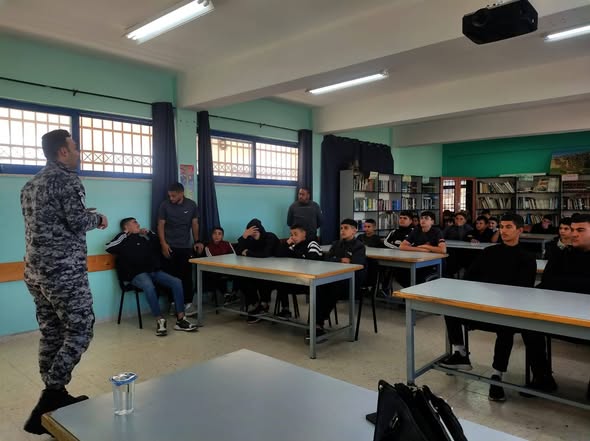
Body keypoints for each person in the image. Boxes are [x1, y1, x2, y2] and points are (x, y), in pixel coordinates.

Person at [21, 129, 108, 435]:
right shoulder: (67, 180)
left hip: (35, 271)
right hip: (63, 273)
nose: (78, 153)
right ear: (62, 152)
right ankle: (51, 394)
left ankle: (55, 393)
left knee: (52, 332)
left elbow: (48, 221)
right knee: (81, 328)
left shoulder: (30, 185)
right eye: (75, 147)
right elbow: (77, 221)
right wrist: (98, 219)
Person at [439, 213, 555, 402]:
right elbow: (469, 277)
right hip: (482, 304)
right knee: (449, 306)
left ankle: (497, 375)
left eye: (509, 227)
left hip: (505, 309)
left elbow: (521, 290)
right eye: (501, 226)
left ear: (519, 230)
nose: (503, 230)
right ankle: (460, 353)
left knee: (505, 326)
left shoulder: (527, 258)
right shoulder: (489, 252)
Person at [105, 218, 198, 336]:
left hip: (152, 271)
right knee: (149, 285)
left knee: (176, 282)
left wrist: (148, 233)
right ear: (126, 227)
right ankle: (160, 320)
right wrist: (124, 233)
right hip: (135, 274)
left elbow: (158, 243)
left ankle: (181, 319)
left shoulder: (142, 239)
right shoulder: (122, 241)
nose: (138, 224)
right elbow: (108, 247)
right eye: (134, 222)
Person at [312, 219, 366, 342]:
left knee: (330, 288)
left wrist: (336, 259)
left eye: (346, 228)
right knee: (318, 287)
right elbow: (327, 259)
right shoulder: (336, 244)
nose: (342, 231)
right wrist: (341, 260)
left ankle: (318, 322)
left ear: (354, 230)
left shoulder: (359, 246)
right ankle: (316, 324)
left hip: (351, 282)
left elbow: (357, 264)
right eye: (341, 228)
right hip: (335, 279)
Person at [157, 182, 201, 317]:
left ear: (181, 193)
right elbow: (160, 225)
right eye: (169, 196)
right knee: (170, 277)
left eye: (174, 196)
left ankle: (188, 304)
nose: (171, 198)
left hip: (185, 246)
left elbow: (195, 224)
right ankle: (173, 304)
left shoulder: (191, 205)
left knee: (186, 277)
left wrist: (197, 241)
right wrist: (163, 244)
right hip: (169, 246)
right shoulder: (164, 205)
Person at [234, 218, 280, 323]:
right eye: (250, 232)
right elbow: (238, 252)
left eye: (255, 231)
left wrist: (248, 252)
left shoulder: (270, 237)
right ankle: (255, 304)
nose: (253, 234)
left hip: (275, 273)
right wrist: (244, 236)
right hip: (257, 271)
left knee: (263, 279)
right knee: (241, 278)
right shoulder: (250, 239)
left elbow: (265, 254)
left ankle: (263, 305)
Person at [275, 224, 323, 319]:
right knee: (280, 281)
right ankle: (285, 310)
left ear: (303, 233)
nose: (293, 237)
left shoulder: (312, 244)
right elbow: (279, 253)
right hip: (297, 280)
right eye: (291, 235)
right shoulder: (294, 246)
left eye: (295, 234)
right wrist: (287, 242)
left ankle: (315, 320)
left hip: (312, 282)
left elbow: (310, 261)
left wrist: (294, 254)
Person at [539, 214, 590, 294]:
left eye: (580, 230)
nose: (574, 234)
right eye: (572, 230)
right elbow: (546, 281)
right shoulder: (561, 254)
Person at [400, 211, 446, 284]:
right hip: (419, 260)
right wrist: (421, 249)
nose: (423, 220)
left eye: (426, 218)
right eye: (421, 218)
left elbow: (443, 250)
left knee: (420, 277)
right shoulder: (416, 230)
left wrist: (426, 246)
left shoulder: (437, 231)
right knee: (401, 273)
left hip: (434, 262)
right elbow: (402, 246)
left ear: (432, 222)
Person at [203, 226, 236, 304]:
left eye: (219, 234)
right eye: (214, 233)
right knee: (216, 275)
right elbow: (211, 261)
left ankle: (234, 294)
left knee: (240, 274)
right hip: (216, 270)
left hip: (229, 268)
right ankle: (226, 295)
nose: (217, 236)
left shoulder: (227, 244)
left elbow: (234, 257)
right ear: (212, 235)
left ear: (222, 236)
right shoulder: (208, 247)